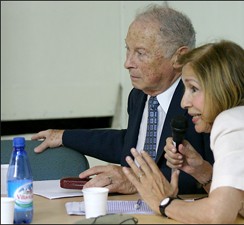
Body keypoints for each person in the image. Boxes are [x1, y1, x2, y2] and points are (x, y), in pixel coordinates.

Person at [31, 4, 214, 194]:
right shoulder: (138, 96)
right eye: (128, 49)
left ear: (180, 57)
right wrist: (64, 136)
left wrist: (134, 180)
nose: (128, 63)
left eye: (140, 53)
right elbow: (130, 144)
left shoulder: (203, 100)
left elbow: (216, 173)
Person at [122, 40, 244, 224]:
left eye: (194, 89)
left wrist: (164, 203)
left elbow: (218, 214)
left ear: (223, 87)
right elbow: (233, 203)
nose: (184, 102)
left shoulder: (233, 121)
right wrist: (201, 171)